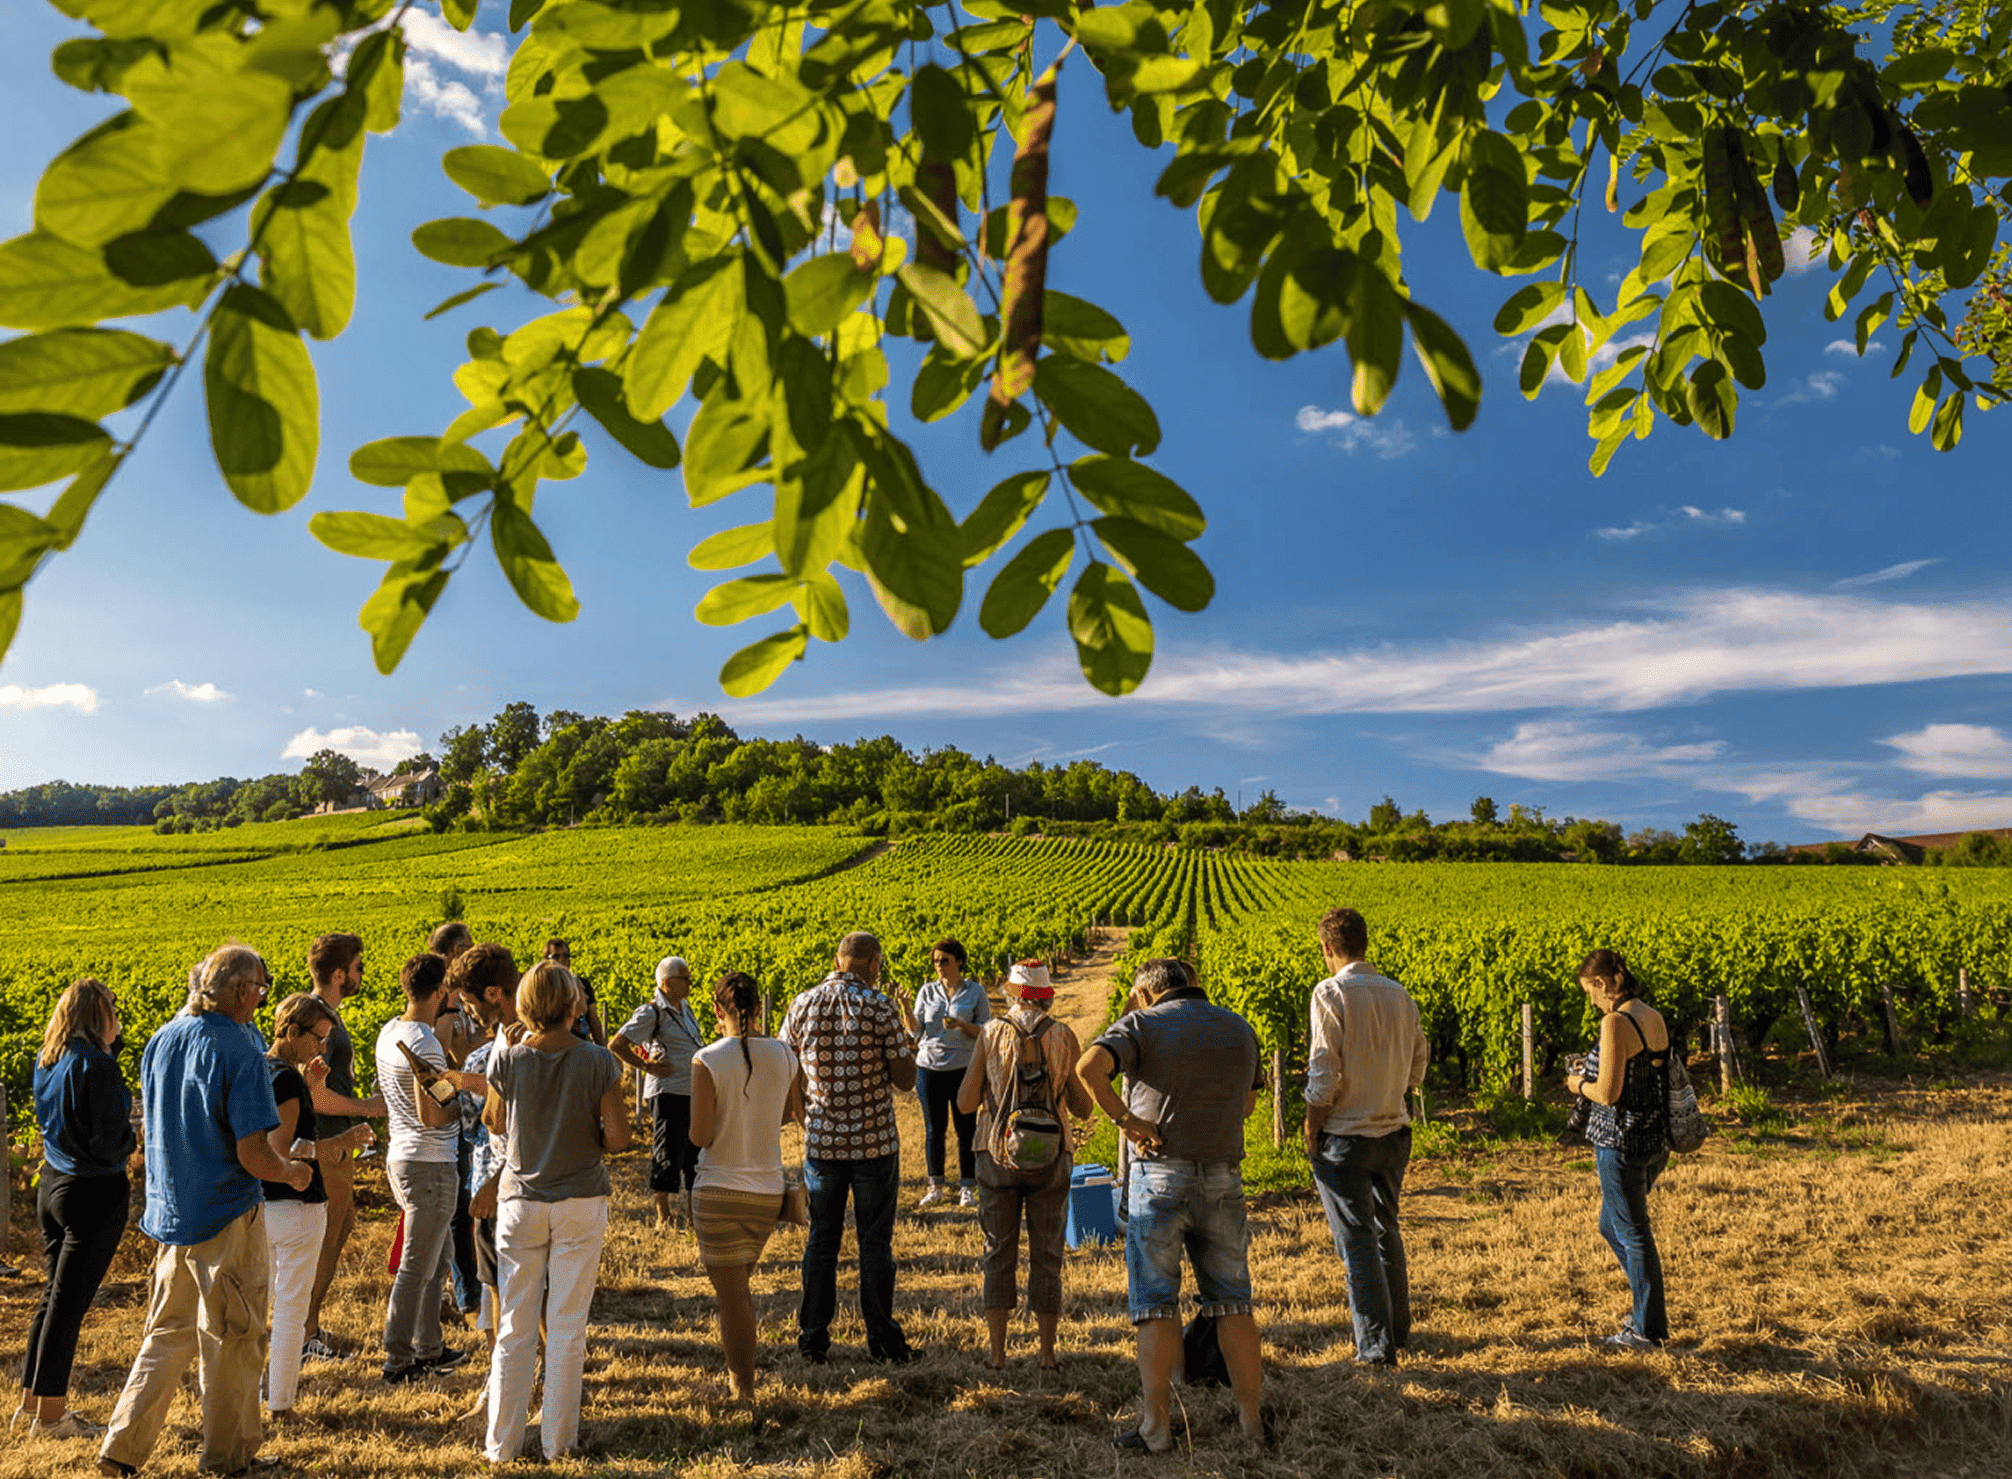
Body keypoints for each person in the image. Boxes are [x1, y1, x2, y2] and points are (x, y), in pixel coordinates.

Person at [98, 946, 312, 1479]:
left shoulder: (164, 1038)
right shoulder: (238, 1046)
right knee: (234, 1338)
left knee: (166, 1334)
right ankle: (230, 1458)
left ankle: (120, 1449)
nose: (263, 1001)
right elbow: (253, 1152)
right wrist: (291, 1172)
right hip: (226, 1212)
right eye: (260, 990)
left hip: (173, 1212)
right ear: (240, 992)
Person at [1079, 958, 1267, 1454]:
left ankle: (1156, 1427)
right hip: (1224, 1176)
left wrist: (1127, 1121)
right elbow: (1247, 1104)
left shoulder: (1140, 1023)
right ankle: (1251, 1424)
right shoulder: (1238, 1026)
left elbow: (1086, 1069)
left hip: (1159, 1175)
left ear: (1145, 993)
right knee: (1233, 1302)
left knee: (1155, 1303)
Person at [482, 962, 630, 1464]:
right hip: (579, 1198)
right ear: (574, 1006)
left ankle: (500, 1444)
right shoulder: (599, 1062)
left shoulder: (510, 1061)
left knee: (514, 1328)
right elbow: (619, 1137)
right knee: (567, 1326)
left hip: (520, 1199)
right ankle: (558, 1442)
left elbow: (493, 1119)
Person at [779, 931, 919, 1365]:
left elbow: (786, 1066)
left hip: (822, 1142)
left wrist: (805, 1114)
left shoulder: (802, 1003)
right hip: (874, 1142)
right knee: (875, 1245)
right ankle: (881, 1340)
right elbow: (904, 1079)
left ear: (839, 960)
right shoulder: (880, 1006)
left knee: (821, 1242)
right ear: (873, 963)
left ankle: (813, 1339)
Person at [1302, 908, 1428, 1367]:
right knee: (1385, 1229)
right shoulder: (1400, 994)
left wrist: (1311, 1125)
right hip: (1394, 1130)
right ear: (1365, 943)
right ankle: (1398, 1332)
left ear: (1329, 948)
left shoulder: (1330, 992)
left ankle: (1374, 1348)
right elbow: (1418, 1066)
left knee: (1355, 1240)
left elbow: (1323, 1070)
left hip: (1345, 1137)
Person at [956, 961, 1091, 1371]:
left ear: (1012, 993)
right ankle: (1047, 1355)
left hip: (996, 1153)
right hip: (1052, 1156)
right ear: (1047, 996)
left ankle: (997, 1355)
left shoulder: (992, 1033)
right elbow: (1083, 1108)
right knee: (1047, 1253)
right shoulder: (1064, 1036)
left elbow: (964, 1103)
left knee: (998, 1251)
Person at [17, 978, 134, 1442]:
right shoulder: (97, 1067)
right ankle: (52, 1417)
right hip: (92, 1191)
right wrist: (132, 1142)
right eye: (112, 1004)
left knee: (52, 1300)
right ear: (96, 1012)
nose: (118, 1011)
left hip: (53, 1184)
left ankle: (31, 1401)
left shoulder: (50, 1059)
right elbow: (109, 1140)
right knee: (70, 1308)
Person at [688, 971, 802, 1404]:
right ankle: (742, 1381)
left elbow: (700, 1136)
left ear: (717, 1011)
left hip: (719, 1189)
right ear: (758, 1008)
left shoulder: (707, 1059)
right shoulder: (785, 1054)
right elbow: (794, 1113)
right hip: (768, 1192)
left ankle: (743, 1390)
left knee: (733, 1299)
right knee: (739, 1292)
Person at [260, 994, 372, 1418]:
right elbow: (285, 1147)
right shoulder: (285, 1080)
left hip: (263, 1205)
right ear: (291, 1031)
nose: (322, 1048)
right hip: (297, 1203)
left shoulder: (263, 1069)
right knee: (291, 1309)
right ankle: (281, 1401)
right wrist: (339, 1144)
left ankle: (254, 1389)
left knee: (261, 1306)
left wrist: (308, 1089)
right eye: (318, 1038)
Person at [375, 952, 485, 1384]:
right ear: (440, 990)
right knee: (417, 1267)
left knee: (437, 1260)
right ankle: (397, 1360)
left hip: (402, 1155)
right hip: (431, 1162)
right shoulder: (424, 1044)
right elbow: (434, 1114)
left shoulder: (391, 1031)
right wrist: (471, 1102)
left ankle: (429, 1347)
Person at [1565, 948, 1673, 1351]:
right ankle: (1646, 1312)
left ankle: (1648, 1328)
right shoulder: (1651, 1016)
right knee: (1613, 1226)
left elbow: (1607, 1093)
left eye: (1590, 991)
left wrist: (1577, 1084)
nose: (1590, 1000)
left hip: (1619, 1139)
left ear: (1605, 984)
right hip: (1652, 1137)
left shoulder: (1615, 1023)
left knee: (1631, 1232)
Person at [300, 932, 386, 1363]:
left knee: (343, 1223)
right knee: (329, 1232)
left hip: (334, 1138)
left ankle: (306, 1322)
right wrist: (367, 1107)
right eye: (358, 967)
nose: (361, 975)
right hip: (328, 1137)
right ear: (338, 974)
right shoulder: (322, 1024)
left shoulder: (320, 1014)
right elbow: (312, 1095)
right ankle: (304, 1331)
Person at [447, 944, 523, 1340]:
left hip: (508, 1180)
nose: (468, 1011)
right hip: (505, 1178)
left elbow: (513, 1122)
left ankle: (508, 1383)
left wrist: (492, 1183)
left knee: (509, 1293)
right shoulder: (511, 1037)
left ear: (493, 994)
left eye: (469, 1001)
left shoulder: (516, 1042)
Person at [610, 955, 706, 1229]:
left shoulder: (685, 1008)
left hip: (690, 1090)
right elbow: (617, 1044)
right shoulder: (651, 1012)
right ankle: (663, 1215)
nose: (690, 983)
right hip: (668, 1092)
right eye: (684, 979)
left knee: (693, 1153)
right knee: (668, 1152)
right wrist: (645, 1065)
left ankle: (691, 1212)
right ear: (666, 983)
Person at [894, 938, 990, 1208]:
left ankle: (967, 1188)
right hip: (929, 1067)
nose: (939, 966)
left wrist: (960, 1024)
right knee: (934, 1129)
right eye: (935, 961)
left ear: (959, 962)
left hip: (963, 1068)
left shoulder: (976, 992)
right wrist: (904, 1007)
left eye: (944, 961)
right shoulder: (927, 991)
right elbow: (915, 1032)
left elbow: (986, 1031)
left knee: (965, 1128)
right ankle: (935, 1185)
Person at [544, 939, 606, 1045]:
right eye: (556, 956)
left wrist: (603, 1051)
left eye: (565, 955)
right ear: (546, 960)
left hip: (581, 1045)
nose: (562, 959)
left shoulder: (582, 984)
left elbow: (594, 1020)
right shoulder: (544, 987)